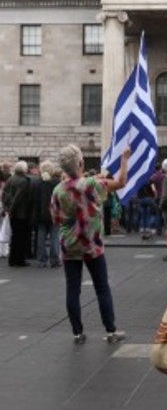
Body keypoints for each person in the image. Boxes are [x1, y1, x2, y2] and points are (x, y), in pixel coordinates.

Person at [50, 144, 130, 345]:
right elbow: (121, 182)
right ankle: (111, 331)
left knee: (72, 288)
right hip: (92, 244)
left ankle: (77, 333)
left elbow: (56, 219)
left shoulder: (58, 190)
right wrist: (124, 159)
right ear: (80, 163)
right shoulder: (92, 183)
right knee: (102, 288)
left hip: (70, 244)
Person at [3, 160, 33, 267]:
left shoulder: (10, 179)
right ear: (24, 169)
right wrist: (11, 209)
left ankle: (12, 259)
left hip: (13, 213)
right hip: (21, 213)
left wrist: (7, 209)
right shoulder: (24, 181)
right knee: (21, 237)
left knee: (14, 236)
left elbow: (5, 195)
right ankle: (19, 260)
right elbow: (18, 198)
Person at [32, 160, 61, 267]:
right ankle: (54, 259)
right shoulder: (57, 182)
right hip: (54, 213)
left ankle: (41, 260)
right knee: (54, 237)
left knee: (41, 237)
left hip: (40, 214)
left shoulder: (36, 182)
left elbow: (34, 200)